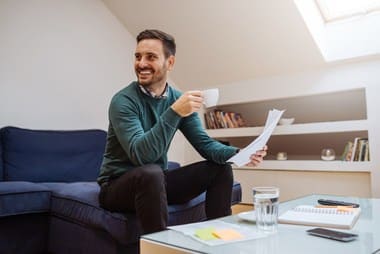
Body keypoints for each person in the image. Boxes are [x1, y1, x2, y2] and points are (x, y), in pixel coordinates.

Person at [97, 29, 267, 234]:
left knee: (220, 168)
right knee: (151, 173)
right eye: (138, 56)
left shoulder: (178, 99)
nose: (141, 63)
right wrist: (174, 112)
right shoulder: (123, 101)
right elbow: (142, 156)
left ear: (170, 63)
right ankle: (159, 247)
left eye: (150, 57)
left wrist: (240, 154)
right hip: (117, 187)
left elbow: (205, 144)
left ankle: (220, 239)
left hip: (156, 181)